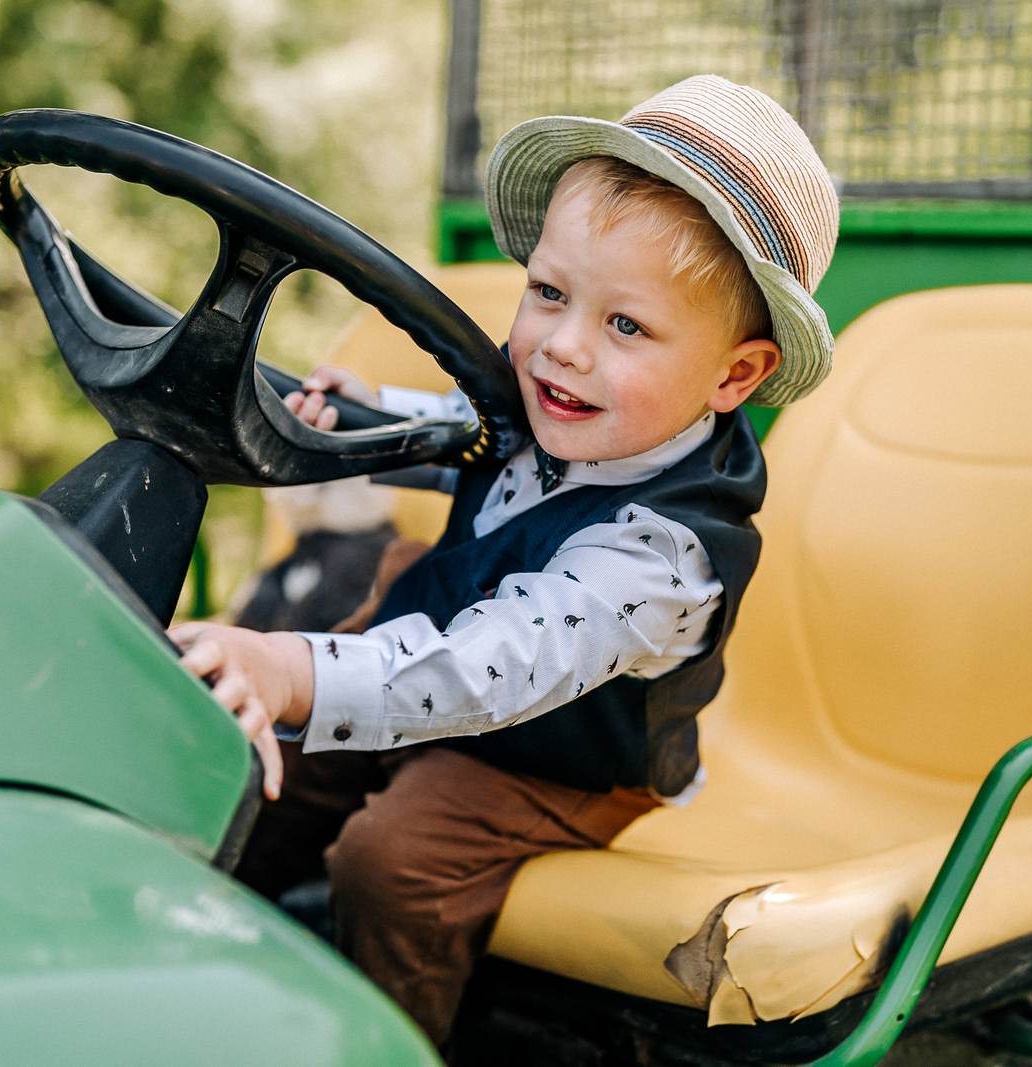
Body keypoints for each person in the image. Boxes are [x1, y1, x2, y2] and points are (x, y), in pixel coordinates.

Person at [170, 74, 840, 1048]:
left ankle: (383, 1040)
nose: (559, 347)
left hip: (554, 756)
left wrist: (288, 665)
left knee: (391, 859)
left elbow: (486, 670)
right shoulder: (564, 408)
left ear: (734, 374)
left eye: (624, 325)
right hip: (440, 664)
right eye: (548, 293)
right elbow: (464, 432)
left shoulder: (660, 556)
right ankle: (189, 943)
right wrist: (363, 412)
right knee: (250, 756)